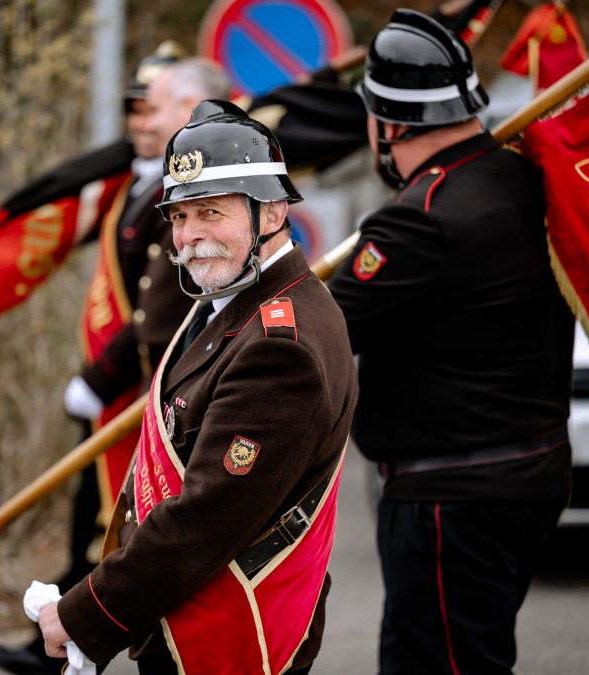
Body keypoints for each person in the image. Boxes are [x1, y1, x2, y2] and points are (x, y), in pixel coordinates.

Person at [0, 49, 232, 675]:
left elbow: (162, 300)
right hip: (121, 386)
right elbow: (82, 170)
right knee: (90, 519)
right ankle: (61, 641)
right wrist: (3, 211)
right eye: (136, 111)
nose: (141, 124)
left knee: (123, 522)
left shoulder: (194, 188)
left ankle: (81, 640)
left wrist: (99, 379)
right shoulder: (142, 172)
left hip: (145, 383)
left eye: (156, 111)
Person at [35, 100, 357, 675]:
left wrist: (86, 613)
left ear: (274, 210)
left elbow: (205, 518)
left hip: (226, 631)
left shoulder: (280, 347)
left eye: (210, 213)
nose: (189, 237)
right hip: (184, 615)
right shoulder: (232, 299)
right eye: (180, 217)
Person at [327, 10, 575, 675]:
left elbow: (320, 331)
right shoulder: (519, 178)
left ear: (391, 123)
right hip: (525, 475)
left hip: (452, 496)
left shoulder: (418, 221)